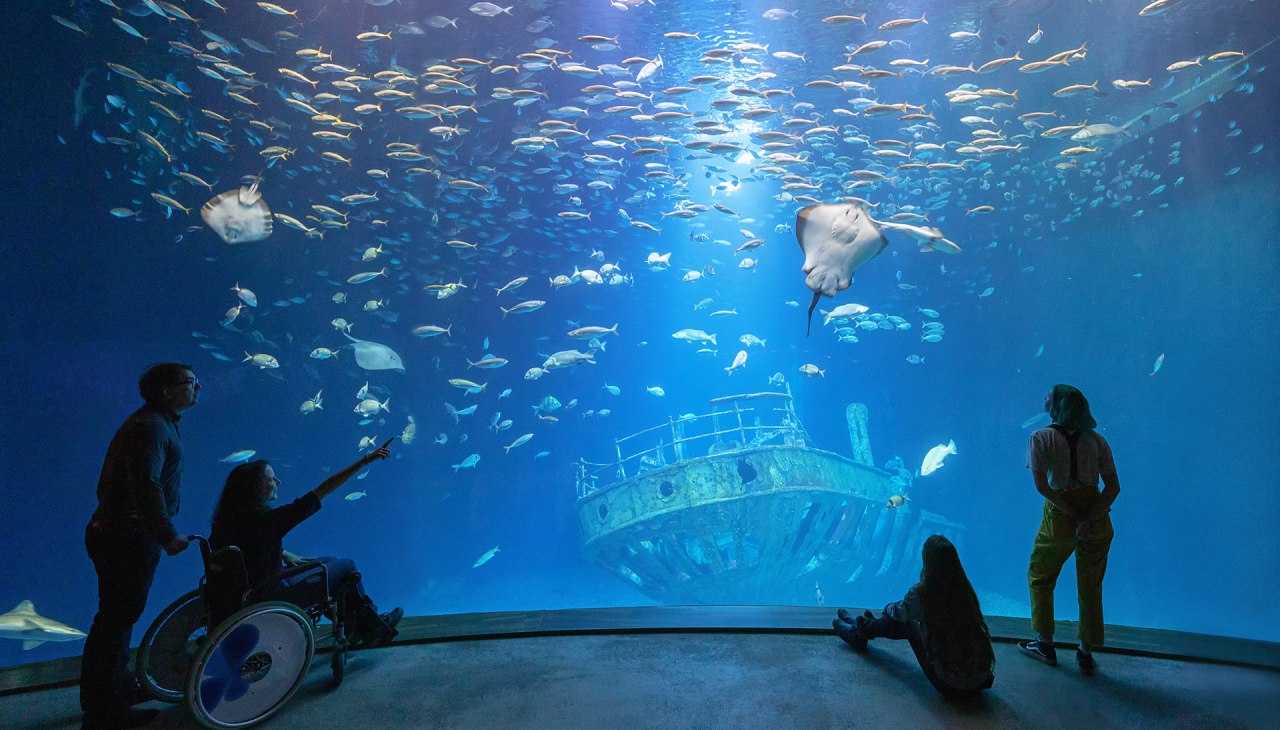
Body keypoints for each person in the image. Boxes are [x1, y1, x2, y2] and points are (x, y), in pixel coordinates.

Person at [82, 363, 200, 730]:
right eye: (191, 383)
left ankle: (117, 688)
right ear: (168, 391)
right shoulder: (150, 426)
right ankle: (103, 707)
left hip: (127, 533)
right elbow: (145, 485)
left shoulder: (158, 422)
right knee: (115, 619)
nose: (198, 387)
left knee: (121, 615)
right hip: (127, 535)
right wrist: (166, 534)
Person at [207, 446, 402, 648]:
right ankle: (372, 626)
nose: (278, 482)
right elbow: (324, 489)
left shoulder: (226, 521)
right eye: (272, 478)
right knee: (347, 566)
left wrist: (282, 552)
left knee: (329, 560)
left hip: (246, 595)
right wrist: (364, 461)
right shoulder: (268, 520)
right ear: (256, 487)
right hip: (272, 595)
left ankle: (359, 625)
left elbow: (246, 545)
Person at [1019, 384, 1121, 675]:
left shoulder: (1040, 438)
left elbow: (1042, 486)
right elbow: (1113, 487)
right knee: (1091, 586)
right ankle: (1085, 651)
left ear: (1059, 405)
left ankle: (1045, 643)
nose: (1045, 397)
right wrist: (1090, 516)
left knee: (1040, 575)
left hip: (1060, 516)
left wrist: (1072, 513)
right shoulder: (1098, 441)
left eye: (1050, 395)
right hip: (1097, 517)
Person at [833, 535, 995, 700]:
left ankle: (860, 630)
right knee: (905, 621)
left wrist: (888, 608)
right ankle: (863, 627)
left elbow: (898, 614)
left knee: (905, 623)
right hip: (980, 680)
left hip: (951, 686)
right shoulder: (964, 589)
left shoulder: (923, 592)